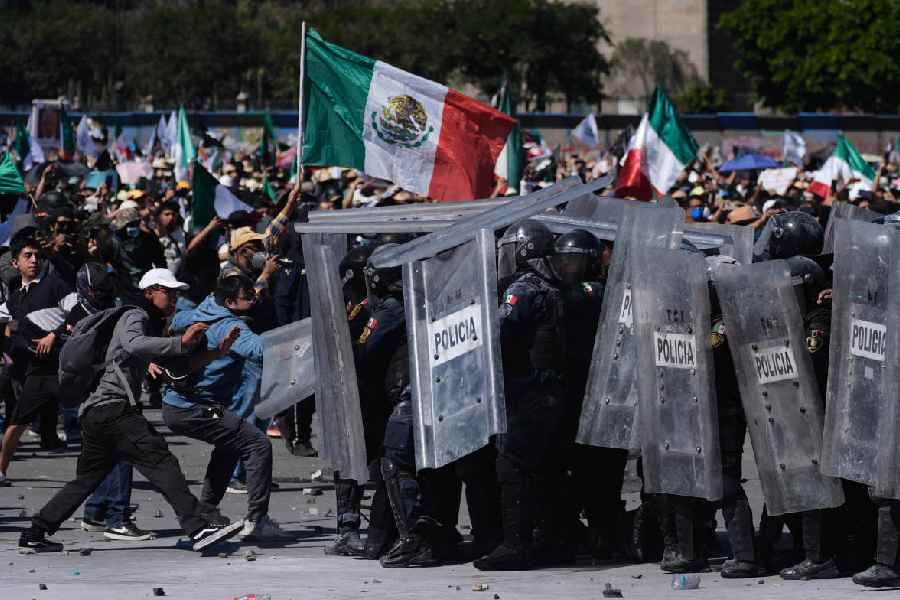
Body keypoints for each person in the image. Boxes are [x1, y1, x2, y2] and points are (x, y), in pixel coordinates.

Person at [18, 268, 244, 553]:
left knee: (86, 480)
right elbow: (133, 344)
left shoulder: (151, 325)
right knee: (161, 461)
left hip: (97, 412)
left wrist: (217, 353)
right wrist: (181, 342)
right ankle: (198, 528)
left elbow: (177, 368)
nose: (174, 298)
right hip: (114, 408)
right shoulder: (135, 315)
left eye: (177, 293)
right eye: (169, 292)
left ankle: (36, 532)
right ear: (150, 292)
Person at [162, 274, 290, 542]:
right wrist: (297, 344)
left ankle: (208, 511)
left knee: (231, 442)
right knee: (257, 444)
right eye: (248, 297)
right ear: (230, 302)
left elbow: (176, 320)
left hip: (180, 404)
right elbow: (260, 351)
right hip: (193, 408)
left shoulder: (202, 310)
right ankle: (257, 520)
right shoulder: (231, 325)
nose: (254, 300)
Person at [475, 219, 568, 571]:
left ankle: (516, 545)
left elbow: (499, 332)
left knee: (512, 465)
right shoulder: (554, 286)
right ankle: (552, 541)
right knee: (545, 469)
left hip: (527, 392)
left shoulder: (523, 289)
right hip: (551, 392)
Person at [69, 262, 155, 541]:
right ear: (87, 289)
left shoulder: (104, 310)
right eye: (99, 289)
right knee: (122, 453)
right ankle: (117, 519)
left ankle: (96, 512)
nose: (105, 293)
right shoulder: (81, 315)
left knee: (104, 457)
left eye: (107, 287)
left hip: (102, 394)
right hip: (101, 396)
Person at [0, 234, 72, 487]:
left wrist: (54, 334)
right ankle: (1, 471)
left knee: (94, 418)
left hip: (66, 368)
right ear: (15, 263)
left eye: (37, 255)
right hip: (38, 373)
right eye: (27, 256)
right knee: (17, 422)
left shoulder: (54, 285)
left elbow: (79, 312)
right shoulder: (15, 298)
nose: (33, 260)